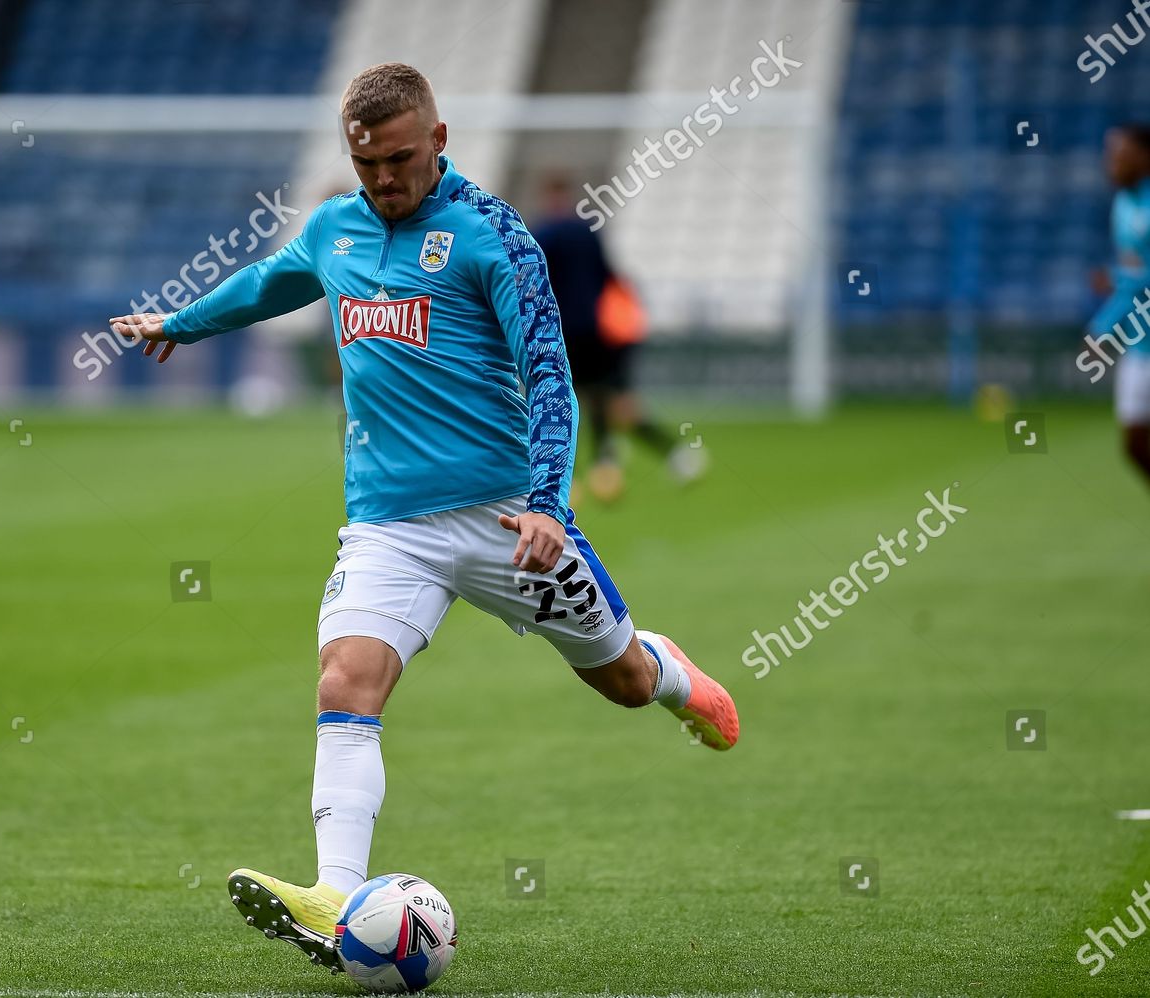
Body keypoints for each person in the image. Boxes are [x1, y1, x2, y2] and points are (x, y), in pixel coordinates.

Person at [109, 63, 739, 973]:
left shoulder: (495, 239)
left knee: (624, 683)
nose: (383, 181)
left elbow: (554, 380)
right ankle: (335, 893)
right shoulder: (335, 227)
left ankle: (674, 673)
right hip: (387, 524)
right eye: (365, 166)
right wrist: (187, 320)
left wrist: (550, 506)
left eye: (399, 160)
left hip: (506, 520)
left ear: (438, 142)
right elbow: (272, 283)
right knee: (346, 681)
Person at [533, 177, 705, 502]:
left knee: (567, 402)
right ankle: (616, 462)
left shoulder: (543, 236)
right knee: (607, 401)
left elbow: (535, 285)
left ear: (549, 198)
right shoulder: (588, 232)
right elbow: (611, 276)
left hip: (568, 333)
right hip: (603, 332)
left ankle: (567, 476)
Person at [1088, 125, 1150, 485]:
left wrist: (1119, 279)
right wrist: (1104, 326)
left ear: (1144, 156)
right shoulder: (1124, 204)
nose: (1112, 162)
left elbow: (1131, 276)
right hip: (1139, 345)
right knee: (1134, 444)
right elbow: (1133, 276)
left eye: (1120, 153)